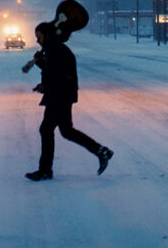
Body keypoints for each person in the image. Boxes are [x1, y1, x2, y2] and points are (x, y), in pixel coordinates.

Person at [25, 20, 113, 181]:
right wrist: (44, 82)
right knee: (66, 131)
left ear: (47, 35)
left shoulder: (56, 50)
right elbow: (55, 73)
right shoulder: (54, 49)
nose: (37, 40)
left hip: (59, 96)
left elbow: (57, 74)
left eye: (39, 37)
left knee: (47, 130)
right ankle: (101, 151)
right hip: (60, 95)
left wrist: (41, 65)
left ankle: (45, 170)